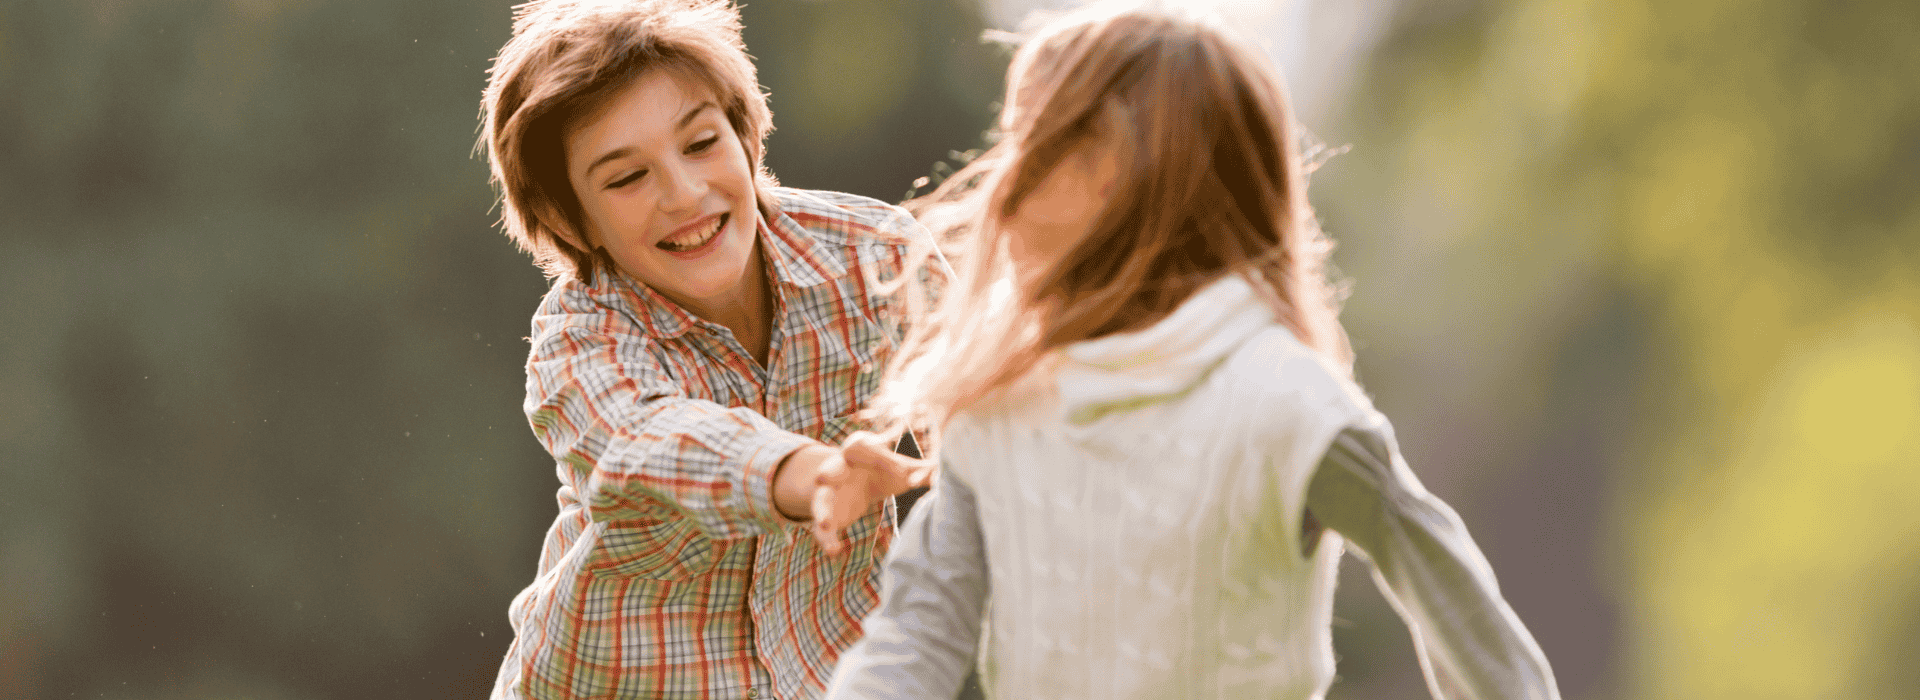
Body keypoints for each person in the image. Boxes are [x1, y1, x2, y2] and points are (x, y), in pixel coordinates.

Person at [809, 3, 1562, 699]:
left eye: (1027, 138)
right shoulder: (997, 413)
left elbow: (1456, 603)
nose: (1001, 175)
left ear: (1110, 172)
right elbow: (916, 637)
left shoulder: (1282, 402)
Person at [477, 1, 937, 697]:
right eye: (627, 178)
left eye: (700, 144)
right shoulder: (578, 340)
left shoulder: (876, 256)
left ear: (746, 137)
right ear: (571, 219)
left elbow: (999, 395)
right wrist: (804, 473)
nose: (685, 193)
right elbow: (648, 445)